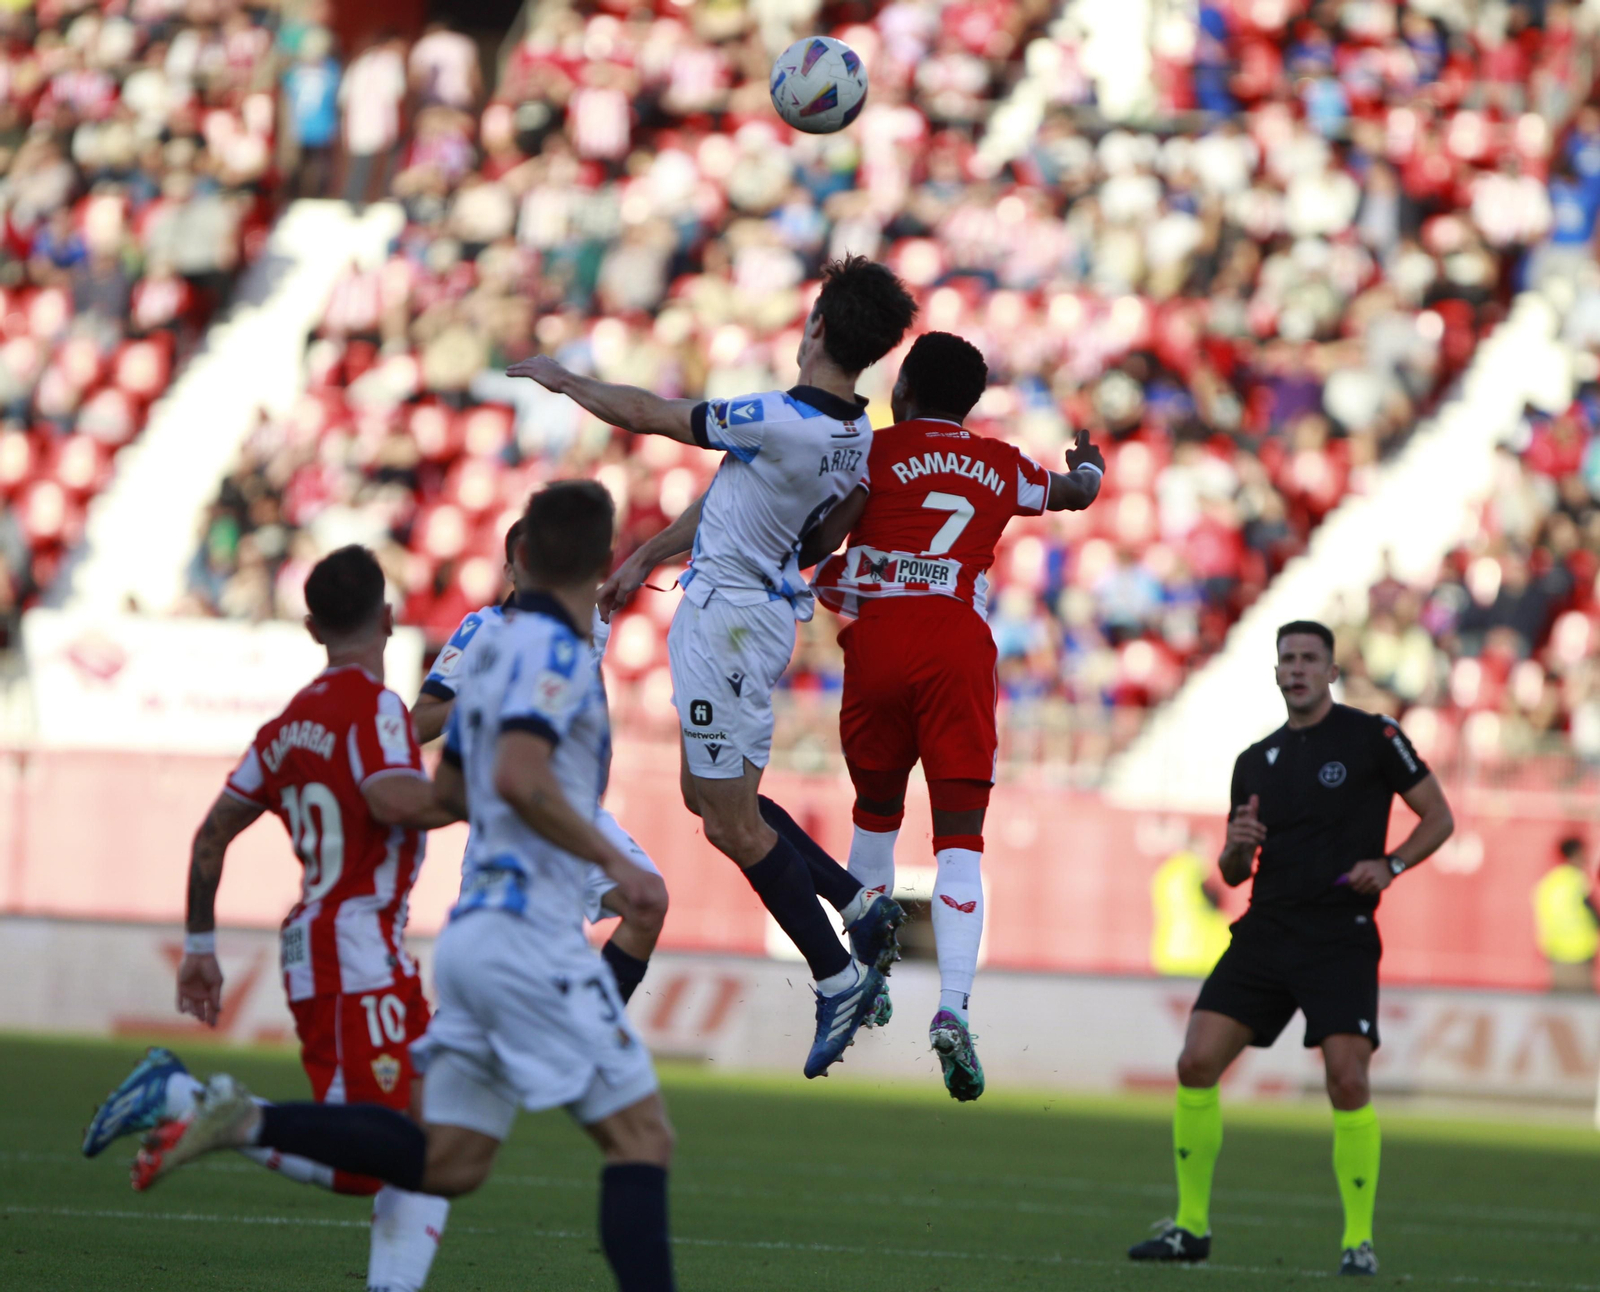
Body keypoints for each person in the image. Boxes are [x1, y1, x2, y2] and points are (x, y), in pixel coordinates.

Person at [132, 482, 678, 1292]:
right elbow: (521, 777)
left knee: (448, 1160)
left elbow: (455, 791)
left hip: (472, 941)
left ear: (520, 559)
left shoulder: (487, 655)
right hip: (533, 935)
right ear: (602, 563)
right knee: (642, 1139)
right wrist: (619, 859)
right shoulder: (561, 656)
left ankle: (247, 1119)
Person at [511, 256, 918, 1080]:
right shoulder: (849, 434)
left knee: (730, 820)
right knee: (711, 797)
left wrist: (561, 379)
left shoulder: (782, 419)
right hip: (749, 612)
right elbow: (740, 501)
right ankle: (855, 901)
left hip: (729, 623)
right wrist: (645, 558)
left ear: (819, 327)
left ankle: (836, 974)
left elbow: (650, 413)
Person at [84, 545, 458, 1292]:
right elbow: (390, 799)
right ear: (387, 618)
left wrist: (200, 945)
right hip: (354, 948)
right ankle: (183, 1098)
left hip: (335, 945)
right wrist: (497, 796)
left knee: (435, 1137)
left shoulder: (285, 728)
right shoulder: (379, 708)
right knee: (371, 1160)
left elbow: (212, 834)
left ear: (312, 626)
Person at [789, 331, 1105, 1100]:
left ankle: (864, 975)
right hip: (956, 646)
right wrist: (1087, 461)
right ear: (967, 403)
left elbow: (821, 538)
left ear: (902, 393)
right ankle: (954, 1009)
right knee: (960, 842)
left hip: (880, 640)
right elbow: (1076, 493)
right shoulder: (999, 462)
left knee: (875, 820)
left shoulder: (877, 450)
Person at [1128, 621, 1454, 1277]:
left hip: (1339, 932)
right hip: (1268, 928)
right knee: (1195, 1062)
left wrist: (1390, 866)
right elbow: (1230, 872)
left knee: (1347, 1079)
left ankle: (1357, 1241)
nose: (1298, 668)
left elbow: (1439, 817)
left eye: (1310, 658)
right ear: (1276, 673)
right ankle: (1190, 1228)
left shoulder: (1373, 737)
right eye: (1288, 659)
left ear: (1332, 671)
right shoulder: (1255, 760)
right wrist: (1238, 847)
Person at [412, 516, 666, 1004]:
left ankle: (595, 1025)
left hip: (577, 818)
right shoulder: (480, 630)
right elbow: (418, 723)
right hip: (509, 825)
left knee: (647, 901)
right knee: (479, 1000)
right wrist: (483, 697)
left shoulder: (587, 619)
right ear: (510, 571)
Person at [1150, 836, 1233, 980]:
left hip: (1170, 954)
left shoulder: (1168, 873)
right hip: (1196, 956)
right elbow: (1207, 908)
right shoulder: (1192, 871)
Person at [1533, 836, 1598, 993]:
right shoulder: (1578, 881)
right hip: (1579, 951)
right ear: (1576, 854)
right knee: (1582, 1005)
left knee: (1562, 1003)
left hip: (1555, 951)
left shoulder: (1550, 882)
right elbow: (1591, 912)